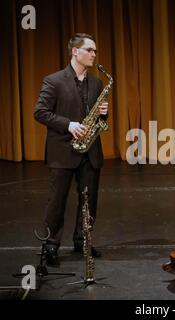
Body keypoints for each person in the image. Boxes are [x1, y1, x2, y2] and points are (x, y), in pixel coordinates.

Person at [34, 33, 108, 267]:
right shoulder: (53, 80)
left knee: (89, 201)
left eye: (95, 50)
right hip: (63, 150)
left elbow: (98, 119)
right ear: (75, 51)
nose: (94, 54)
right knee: (57, 202)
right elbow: (41, 112)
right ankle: (50, 246)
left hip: (90, 151)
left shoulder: (97, 83)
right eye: (90, 50)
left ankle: (82, 241)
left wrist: (104, 113)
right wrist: (69, 124)